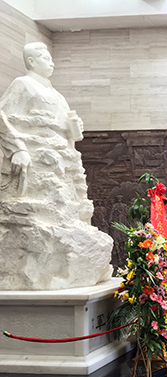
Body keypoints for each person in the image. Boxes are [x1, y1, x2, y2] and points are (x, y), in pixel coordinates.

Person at [0, 42, 112, 290]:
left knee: (71, 213)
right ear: (31, 61)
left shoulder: (57, 95)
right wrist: (17, 148)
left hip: (62, 161)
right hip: (39, 159)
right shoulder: (23, 85)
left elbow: (67, 131)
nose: (52, 62)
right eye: (46, 57)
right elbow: (2, 117)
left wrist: (73, 129)